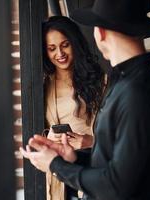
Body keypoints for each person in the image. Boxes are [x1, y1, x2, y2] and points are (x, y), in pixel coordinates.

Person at [21, 0, 150, 199]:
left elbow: (116, 186)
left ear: (100, 33)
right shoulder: (127, 82)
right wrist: (73, 157)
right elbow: (115, 160)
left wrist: (55, 165)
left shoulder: (137, 91)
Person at [41, 16, 104, 200]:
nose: (60, 53)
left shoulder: (101, 82)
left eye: (65, 45)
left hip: (93, 169)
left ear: (75, 43)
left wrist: (91, 141)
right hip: (61, 177)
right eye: (52, 49)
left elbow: (118, 133)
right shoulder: (43, 87)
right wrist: (49, 138)